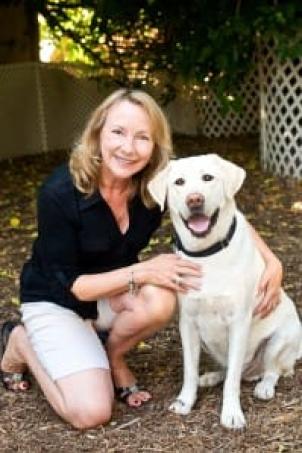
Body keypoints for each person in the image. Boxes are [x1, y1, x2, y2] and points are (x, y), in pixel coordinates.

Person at [0, 88, 282, 430]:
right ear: (98, 133)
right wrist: (144, 270)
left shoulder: (156, 186)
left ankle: (112, 356)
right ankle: (21, 343)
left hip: (111, 292)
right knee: (91, 413)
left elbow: (222, 211)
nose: (128, 147)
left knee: (162, 296)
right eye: (118, 132)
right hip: (58, 299)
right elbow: (75, 287)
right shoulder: (60, 192)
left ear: (154, 146)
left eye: (142, 137)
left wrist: (272, 262)